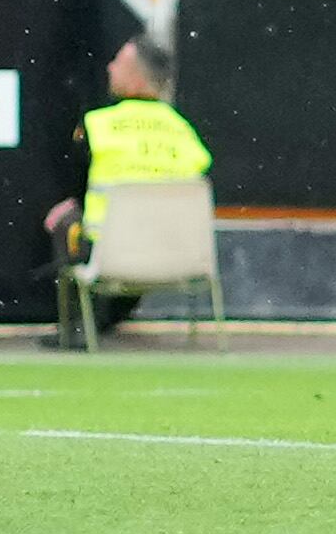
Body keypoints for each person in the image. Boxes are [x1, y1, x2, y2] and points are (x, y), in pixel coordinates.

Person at [44, 36, 212, 334]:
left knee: (66, 221)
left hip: (111, 254)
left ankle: (77, 329)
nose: (110, 68)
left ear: (136, 79)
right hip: (178, 255)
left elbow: (76, 182)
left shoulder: (98, 125)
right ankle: (108, 318)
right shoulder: (184, 132)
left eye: (118, 63)